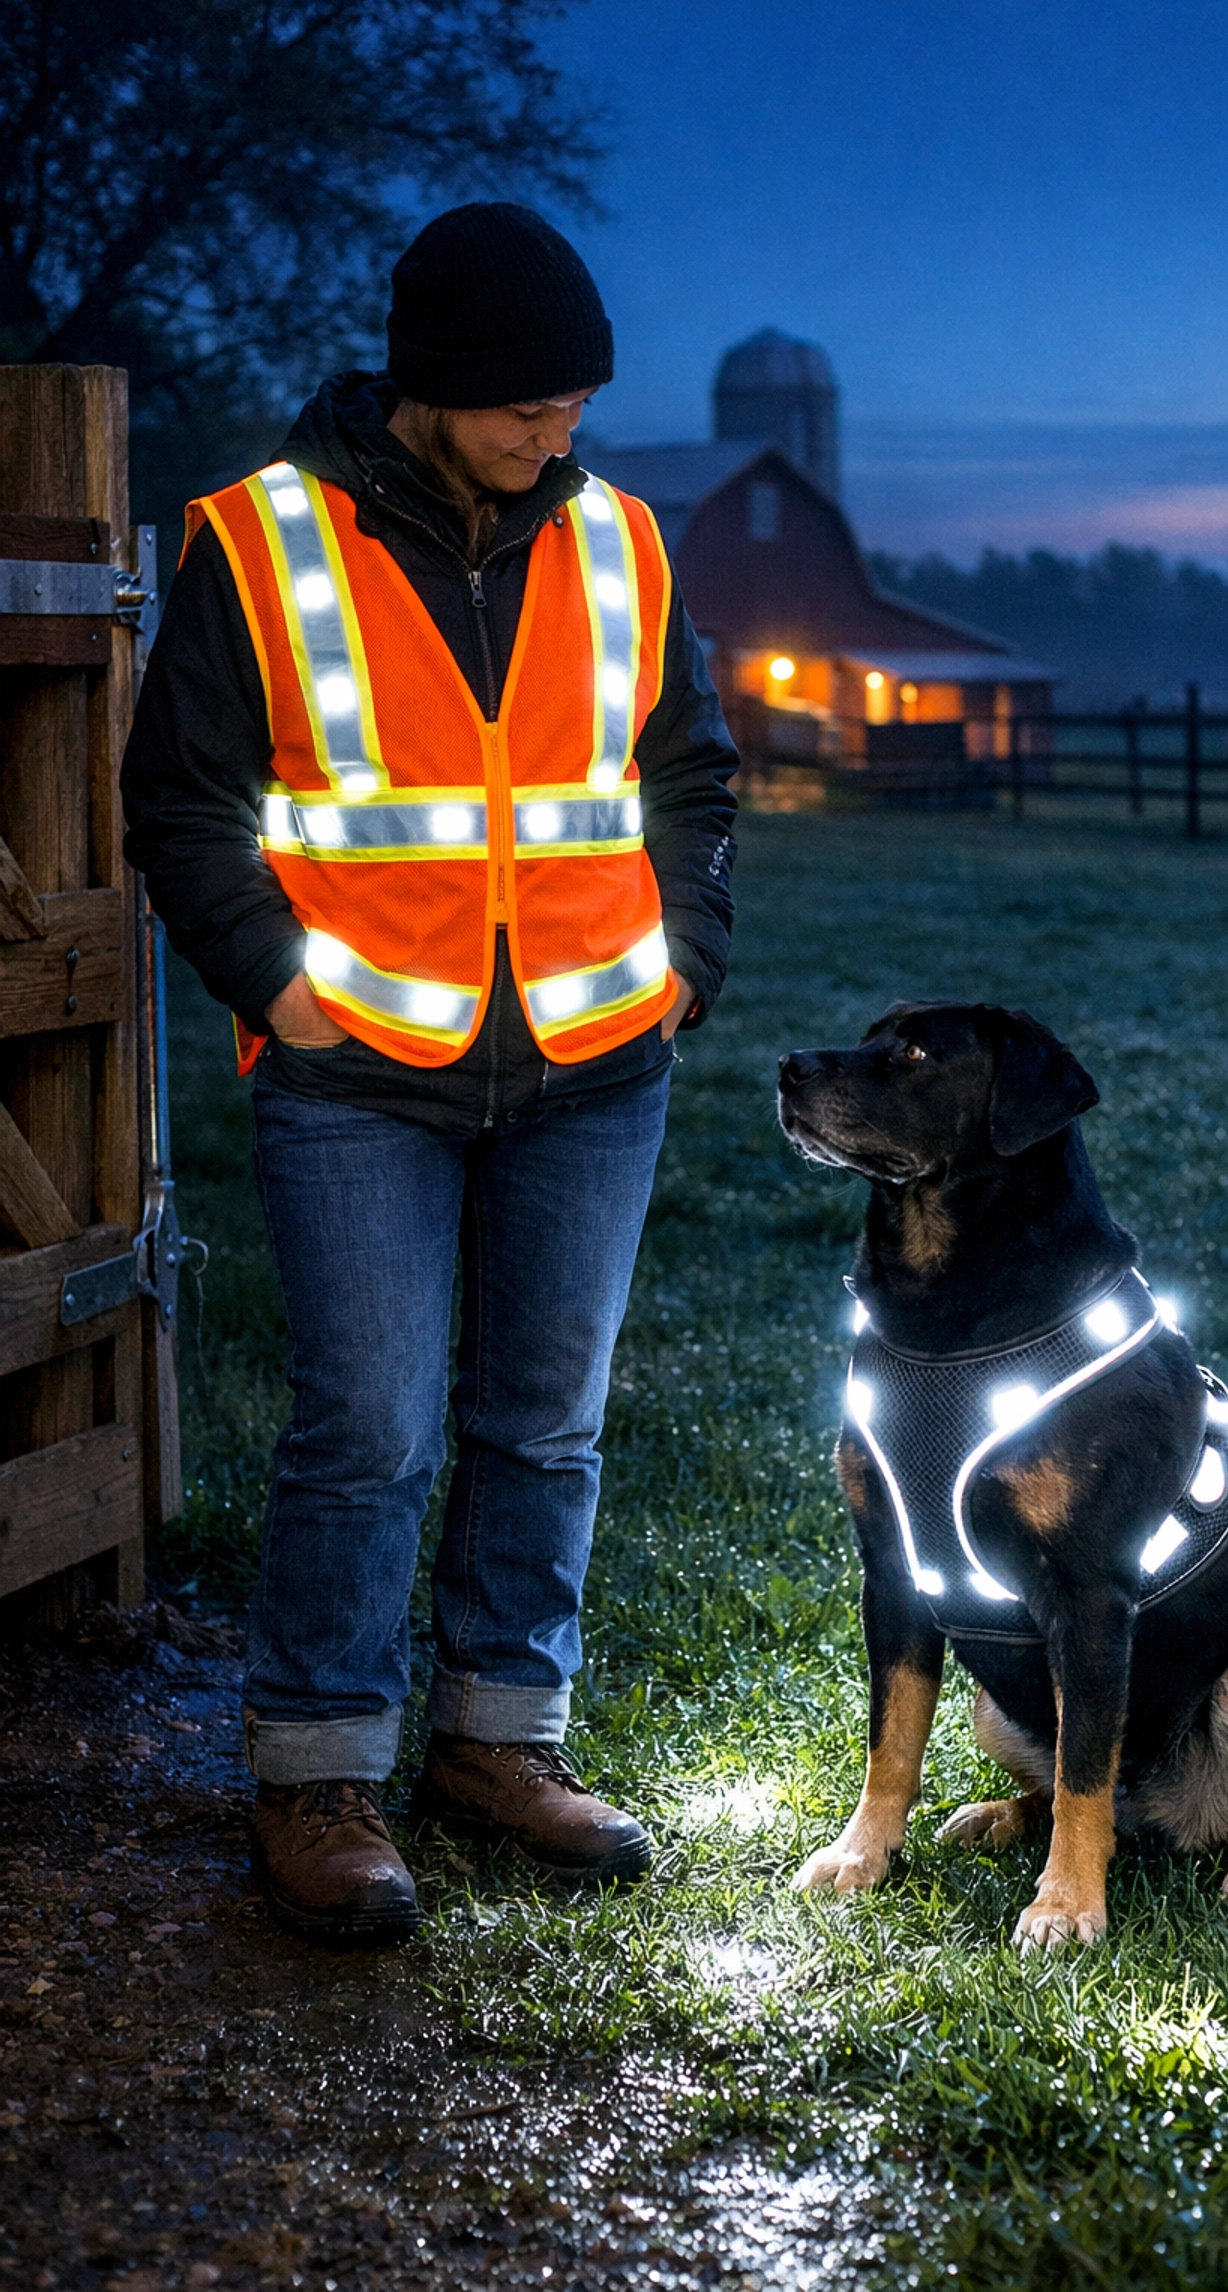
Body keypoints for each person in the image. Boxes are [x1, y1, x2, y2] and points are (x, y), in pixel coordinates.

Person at [121, 202, 738, 1943]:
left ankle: (497, 1743)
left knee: (545, 1422)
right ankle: (317, 1776)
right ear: (431, 386)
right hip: (355, 1066)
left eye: (581, 402)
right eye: (533, 404)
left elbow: (692, 773)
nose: (564, 434)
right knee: (369, 1429)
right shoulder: (263, 540)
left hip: (596, 1058)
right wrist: (276, 985)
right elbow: (178, 803)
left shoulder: (624, 542)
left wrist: (686, 958)